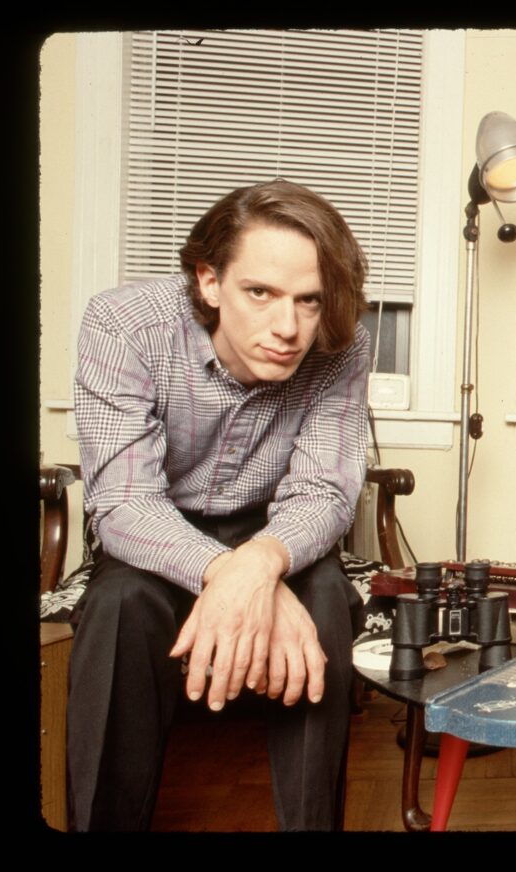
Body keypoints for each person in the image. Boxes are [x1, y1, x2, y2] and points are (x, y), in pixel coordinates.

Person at [67, 180, 371, 831]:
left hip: (275, 529)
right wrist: (233, 573)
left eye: (309, 301)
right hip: (152, 531)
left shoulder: (343, 346)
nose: (287, 328)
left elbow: (324, 490)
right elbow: (121, 503)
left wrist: (261, 562)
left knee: (321, 603)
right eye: (260, 293)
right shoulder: (123, 324)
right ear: (209, 282)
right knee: (119, 609)